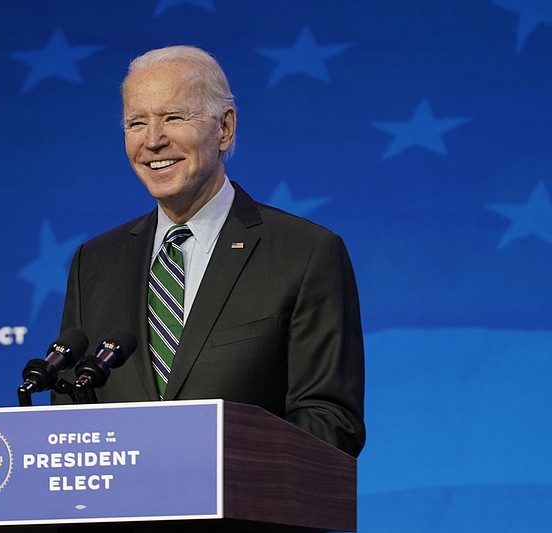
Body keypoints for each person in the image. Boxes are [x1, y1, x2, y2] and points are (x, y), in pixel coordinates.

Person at [53, 45, 365, 460]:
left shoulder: (304, 254)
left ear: (225, 129)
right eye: (136, 122)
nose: (153, 141)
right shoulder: (93, 263)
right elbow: (71, 422)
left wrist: (207, 465)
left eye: (173, 118)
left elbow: (330, 423)